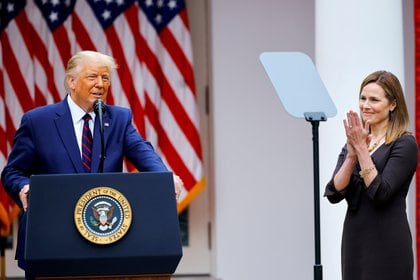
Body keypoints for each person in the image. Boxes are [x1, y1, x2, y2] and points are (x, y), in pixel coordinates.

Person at [1, 50, 183, 278]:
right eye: (92, 77)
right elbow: (13, 172)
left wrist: (165, 178)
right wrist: (24, 187)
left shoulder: (119, 118)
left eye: (105, 78)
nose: (100, 84)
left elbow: (144, 153)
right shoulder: (38, 121)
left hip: (106, 241)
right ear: (71, 81)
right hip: (50, 241)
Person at [324, 70, 418, 280]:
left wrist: (362, 151)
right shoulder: (356, 140)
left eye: (374, 100)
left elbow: (380, 192)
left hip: (387, 242)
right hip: (355, 240)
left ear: (393, 104)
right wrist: (351, 156)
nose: (365, 105)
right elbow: (334, 193)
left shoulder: (405, 143)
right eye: (363, 98)